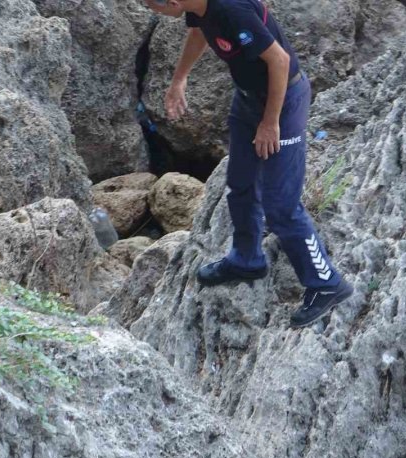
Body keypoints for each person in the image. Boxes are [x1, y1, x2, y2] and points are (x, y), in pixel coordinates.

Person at [143, 0, 353, 327]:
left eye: (149, 5)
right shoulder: (198, 6)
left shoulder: (230, 9)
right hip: (246, 100)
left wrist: (270, 123)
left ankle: (325, 283)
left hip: (283, 102)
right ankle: (247, 259)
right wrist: (179, 78)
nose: (150, 11)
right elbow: (200, 30)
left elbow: (280, 61)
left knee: (280, 204)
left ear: (171, 1)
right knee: (240, 183)